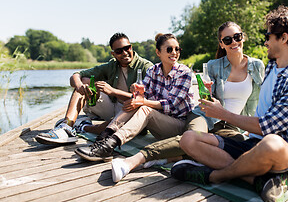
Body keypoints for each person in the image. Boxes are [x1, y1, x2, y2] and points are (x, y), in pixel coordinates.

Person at [171, 6, 288, 202]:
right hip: (252, 143)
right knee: (188, 139)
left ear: (283, 38)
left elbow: (267, 127)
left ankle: (214, 176)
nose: (265, 42)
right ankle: (255, 179)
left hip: (283, 153)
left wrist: (223, 113)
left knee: (270, 143)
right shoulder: (273, 66)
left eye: (268, 36)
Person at [108, 21, 265, 183]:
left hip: (232, 125)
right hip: (205, 115)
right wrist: (208, 93)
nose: (234, 42)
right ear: (221, 44)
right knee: (193, 137)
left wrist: (249, 127)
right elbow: (205, 95)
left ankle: (170, 158)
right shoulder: (212, 66)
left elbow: (260, 100)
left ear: (243, 37)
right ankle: (132, 161)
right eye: (227, 40)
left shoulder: (257, 66)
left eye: (237, 37)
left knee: (239, 148)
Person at [74, 33, 195, 172]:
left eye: (177, 49)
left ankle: (110, 145)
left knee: (143, 107)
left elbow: (171, 104)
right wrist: (137, 93)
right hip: (158, 126)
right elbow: (143, 97)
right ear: (158, 52)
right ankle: (104, 137)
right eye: (169, 49)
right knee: (134, 102)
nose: (174, 53)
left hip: (178, 126)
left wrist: (142, 101)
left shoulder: (184, 72)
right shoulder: (152, 70)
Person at [35, 33, 153, 145]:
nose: (124, 53)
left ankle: (82, 126)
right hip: (113, 104)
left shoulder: (146, 67)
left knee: (107, 129)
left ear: (131, 47)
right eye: (119, 51)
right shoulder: (112, 65)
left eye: (127, 48)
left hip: (132, 110)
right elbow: (76, 75)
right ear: (113, 54)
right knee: (85, 80)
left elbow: (148, 101)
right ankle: (67, 126)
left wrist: (113, 91)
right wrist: (80, 87)